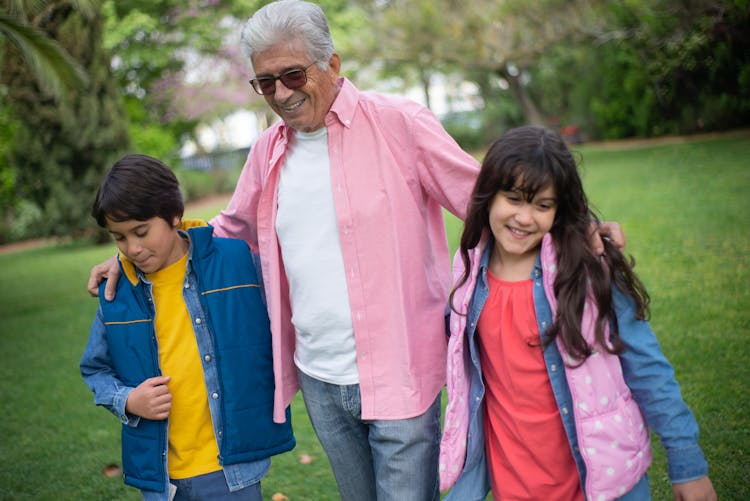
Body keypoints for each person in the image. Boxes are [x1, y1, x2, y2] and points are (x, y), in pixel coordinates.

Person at [87, 2, 623, 499]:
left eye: (292, 76)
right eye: (264, 82)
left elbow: (482, 197)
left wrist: (582, 227)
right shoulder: (266, 153)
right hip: (319, 379)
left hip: (401, 372)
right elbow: (228, 231)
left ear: (332, 64)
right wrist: (136, 252)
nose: (279, 93)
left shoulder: (400, 123)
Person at [439, 126, 716, 501]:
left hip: (603, 485)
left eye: (542, 205)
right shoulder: (468, 268)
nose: (524, 217)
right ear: (488, 195)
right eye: (514, 199)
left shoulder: (587, 269)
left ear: (560, 209)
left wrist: (688, 463)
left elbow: (647, 367)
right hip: (516, 486)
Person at [80, 154, 295, 501]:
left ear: (174, 216)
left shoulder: (238, 263)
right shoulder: (116, 294)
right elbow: (95, 369)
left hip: (232, 469)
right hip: (162, 481)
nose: (132, 248)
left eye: (141, 231)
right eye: (119, 238)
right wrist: (128, 400)